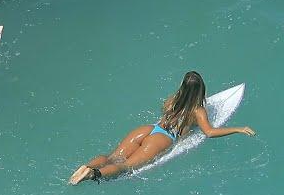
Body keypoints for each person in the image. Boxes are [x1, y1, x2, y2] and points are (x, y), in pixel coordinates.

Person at [69, 71, 256, 185]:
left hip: (149, 129)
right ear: (200, 90)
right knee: (125, 166)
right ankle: (93, 174)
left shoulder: (172, 99)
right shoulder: (198, 110)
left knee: (112, 157)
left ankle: (88, 166)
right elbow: (209, 132)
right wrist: (238, 129)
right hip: (164, 138)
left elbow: (165, 111)